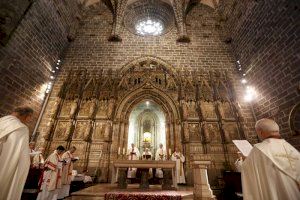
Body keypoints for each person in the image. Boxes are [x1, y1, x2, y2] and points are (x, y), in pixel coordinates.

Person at [242, 118, 300, 200]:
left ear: (260, 132)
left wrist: (243, 160)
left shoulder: (259, 150)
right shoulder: (290, 149)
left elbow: (247, 169)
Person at [0, 106, 33, 200]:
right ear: (28, 116)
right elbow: (19, 156)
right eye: (30, 118)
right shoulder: (20, 128)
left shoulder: (2, 121)